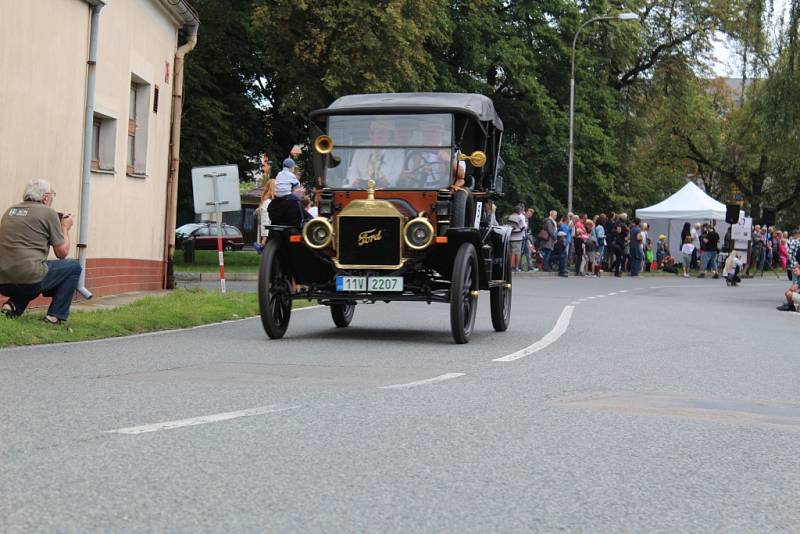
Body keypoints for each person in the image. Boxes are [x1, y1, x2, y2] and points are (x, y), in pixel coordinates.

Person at [0, 179, 81, 324]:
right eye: (52, 195)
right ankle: (55, 316)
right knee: (73, 267)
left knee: (36, 269)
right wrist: (64, 228)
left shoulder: (10, 211)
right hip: (29, 277)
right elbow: (62, 253)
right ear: (45, 197)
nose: (52, 199)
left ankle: (11, 306)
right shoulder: (48, 212)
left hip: (3, 281)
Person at [268, 158, 306, 228]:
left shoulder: (279, 174)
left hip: (278, 196)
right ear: (291, 167)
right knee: (298, 201)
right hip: (286, 195)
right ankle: (304, 219)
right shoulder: (291, 175)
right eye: (293, 167)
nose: (294, 168)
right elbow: (297, 184)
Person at [256, 179, 276, 249]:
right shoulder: (268, 202)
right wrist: (264, 238)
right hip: (270, 234)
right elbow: (265, 220)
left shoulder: (268, 201)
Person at [508, 204, 526, 273]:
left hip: (510, 237)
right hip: (518, 238)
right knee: (517, 253)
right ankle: (516, 267)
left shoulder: (510, 217)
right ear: (519, 211)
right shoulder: (519, 218)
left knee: (511, 252)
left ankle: (510, 267)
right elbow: (523, 227)